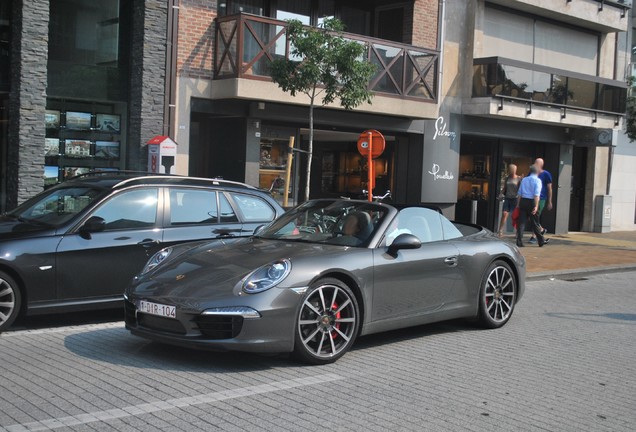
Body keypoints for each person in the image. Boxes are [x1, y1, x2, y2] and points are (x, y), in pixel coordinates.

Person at [516, 165, 549, 247]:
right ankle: (541, 241)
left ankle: (519, 241)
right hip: (532, 202)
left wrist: (518, 204)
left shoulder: (524, 180)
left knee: (522, 222)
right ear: (537, 172)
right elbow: (536, 194)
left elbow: (519, 193)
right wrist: (536, 205)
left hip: (523, 201)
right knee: (535, 222)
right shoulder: (537, 181)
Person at [529, 157, 552, 243]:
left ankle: (534, 236)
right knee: (532, 216)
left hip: (541, 198)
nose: (535, 164)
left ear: (541, 165)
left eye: (536, 163)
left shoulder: (546, 174)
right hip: (531, 197)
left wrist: (549, 201)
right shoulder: (531, 173)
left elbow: (549, 188)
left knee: (535, 216)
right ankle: (541, 230)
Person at [497, 163, 520, 237]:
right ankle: (500, 230)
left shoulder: (519, 178)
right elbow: (504, 188)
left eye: (514, 169)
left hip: (515, 198)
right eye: (511, 169)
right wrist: (500, 194)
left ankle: (517, 231)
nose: (512, 171)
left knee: (515, 216)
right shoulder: (507, 178)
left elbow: (520, 190)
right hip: (507, 198)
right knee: (504, 214)